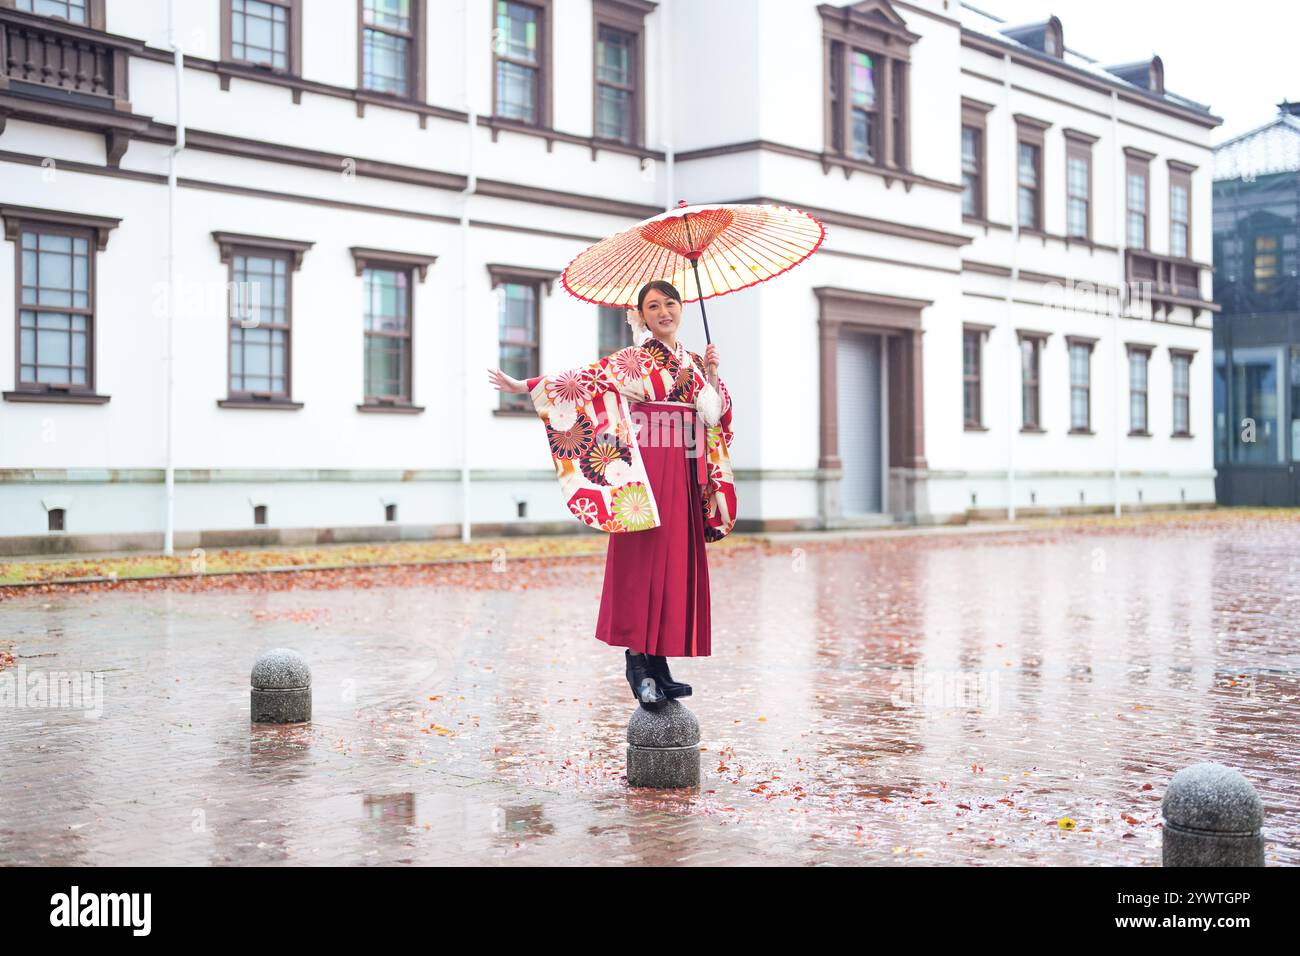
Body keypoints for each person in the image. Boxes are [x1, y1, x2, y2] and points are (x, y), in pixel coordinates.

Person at [486, 280, 737, 709]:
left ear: (682, 308)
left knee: (673, 562)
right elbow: (585, 381)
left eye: (670, 304)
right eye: (653, 306)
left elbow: (716, 414)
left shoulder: (695, 360)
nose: (664, 312)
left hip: (684, 465)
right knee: (643, 560)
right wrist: (525, 385)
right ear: (641, 315)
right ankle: (637, 663)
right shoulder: (634, 359)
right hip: (644, 469)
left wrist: (711, 374)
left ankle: (659, 664)